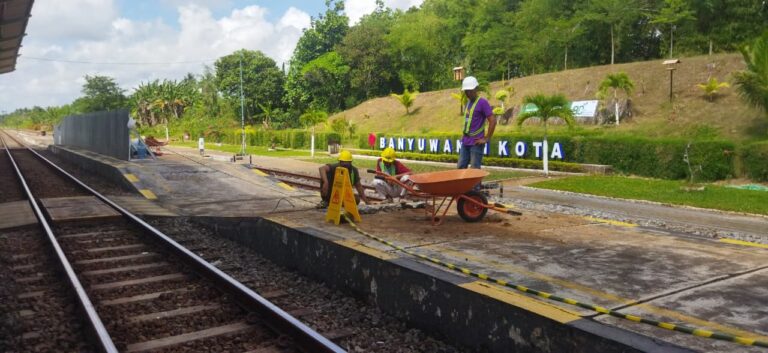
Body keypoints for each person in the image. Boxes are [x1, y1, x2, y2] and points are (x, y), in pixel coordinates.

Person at [458, 76, 496, 169]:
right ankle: (463, 184)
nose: (468, 93)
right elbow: (469, 121)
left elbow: (493, 121)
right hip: (466, 141)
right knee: (460, 167)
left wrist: (486, 138)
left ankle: (476, 184)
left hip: (476, 143)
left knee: (474, 169)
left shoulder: (483, 103)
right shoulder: (468, 103)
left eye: (470, 90)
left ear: (476, 89)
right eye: (466, 91)